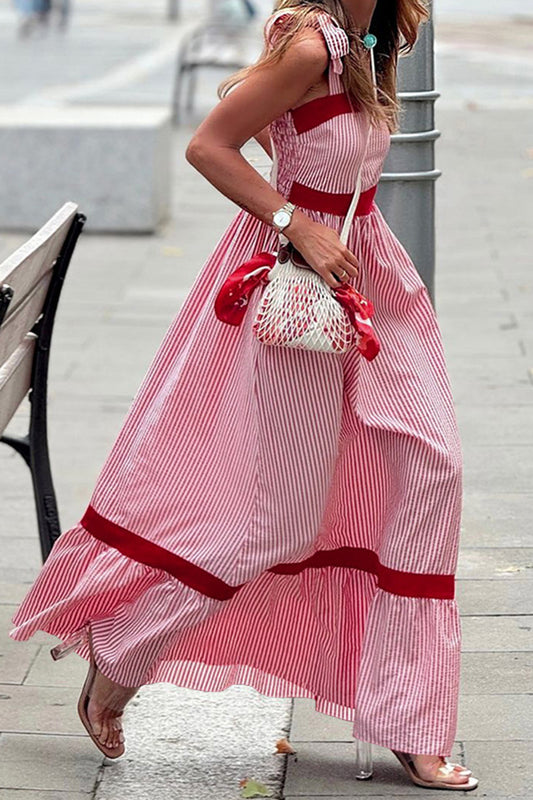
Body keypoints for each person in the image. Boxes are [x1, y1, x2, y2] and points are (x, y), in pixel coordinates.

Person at [9, 0, 479, 791]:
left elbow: (282, 127)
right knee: (276, 523)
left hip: (367, 279)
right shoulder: (309, 43)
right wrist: (297, 218)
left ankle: (410, 717)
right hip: (296, 292)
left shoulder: (369, 38)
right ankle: (120, 656)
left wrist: (304, 166)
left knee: (435, 469)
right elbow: (209, 144)